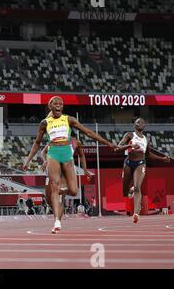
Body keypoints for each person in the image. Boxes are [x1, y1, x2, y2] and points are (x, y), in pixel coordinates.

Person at [23, 96, 116, 234]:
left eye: (61, 103)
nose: (59, 105)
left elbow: (88, 132)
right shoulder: (45, 123)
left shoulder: (69, 119)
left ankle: (63, 190)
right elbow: (37, 143)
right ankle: (57, 221)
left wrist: (107, 143)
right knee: (54, 187)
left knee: (73, 190)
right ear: (50, 106)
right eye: (55, 103)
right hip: (53, 153)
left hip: (66, 154)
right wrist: (28, 159)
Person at [115, 118, 170, 223]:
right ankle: (129, 190)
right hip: (128, 163)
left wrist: (162, 158)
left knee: (137, 187)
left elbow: (148, 155)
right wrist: (130, 145)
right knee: (124, 193)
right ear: (134, 125)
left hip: (140, 164)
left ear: (144, 125)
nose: (139, 123)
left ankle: (136, 213)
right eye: (137, 122)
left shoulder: (146, 139)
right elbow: (118, 147)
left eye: (141, 122)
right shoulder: (129, 135)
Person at [40, 131, 91, 221]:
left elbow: (82, 156)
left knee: (61, 197)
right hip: (51, 170)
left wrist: (85, 170)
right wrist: (45, 161)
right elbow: (43, 152)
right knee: (49, 199)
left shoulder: (76, 142)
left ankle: (57, 221)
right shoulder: (54, 141)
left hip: (66, 171)